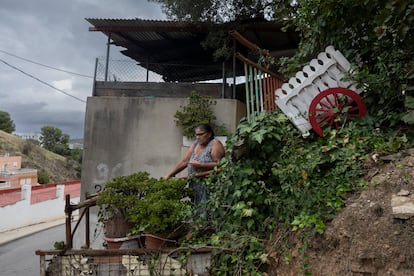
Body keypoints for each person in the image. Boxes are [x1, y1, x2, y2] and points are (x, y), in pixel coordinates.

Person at [165, 124, 225, 213]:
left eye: (201, 134)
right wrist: (170, 175)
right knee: (196, 213)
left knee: (207, 212)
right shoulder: (195, 144)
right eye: (196, 135)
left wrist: (201, 165)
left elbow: (221, 165)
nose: (197, 137)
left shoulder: (215, 144)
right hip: (194, 185)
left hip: (209, 185)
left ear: (209, 134)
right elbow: (185, 161)